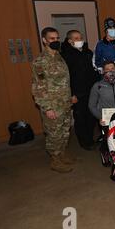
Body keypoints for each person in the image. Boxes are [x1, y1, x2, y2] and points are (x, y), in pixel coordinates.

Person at [31, 27, 74, 173]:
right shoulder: (40, 61)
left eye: (57, 38)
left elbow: (64, 81)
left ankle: (62, 154)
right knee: (54, 134)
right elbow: (38, 87)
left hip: (65, 102)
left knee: (64, 131)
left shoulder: (58, 56)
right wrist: (47, 108)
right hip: (53, 105)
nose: (55, 41)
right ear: (44, 40)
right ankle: (55, 160)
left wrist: (70, 96)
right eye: (52, 39)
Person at [61, 30, 99, 150]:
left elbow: (94, 71)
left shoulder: (88, 52)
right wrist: (71, 94)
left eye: (80, 37)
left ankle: (91, 139)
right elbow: (66, 78)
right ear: (70, 41)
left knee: (91, 117)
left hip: (91, 90)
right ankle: (85, 142)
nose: (79, 40)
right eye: (76, 38)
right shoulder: (65, 56)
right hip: (77, 93)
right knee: (81, 118)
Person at [88, 61, 115, 166]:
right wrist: (99, 117)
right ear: (103, 71)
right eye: (108, 69)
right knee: (108, 138)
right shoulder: (97, 86)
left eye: (112, 69)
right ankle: (104, 151)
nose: (111, 71)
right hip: (105, 119)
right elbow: (91, 105)